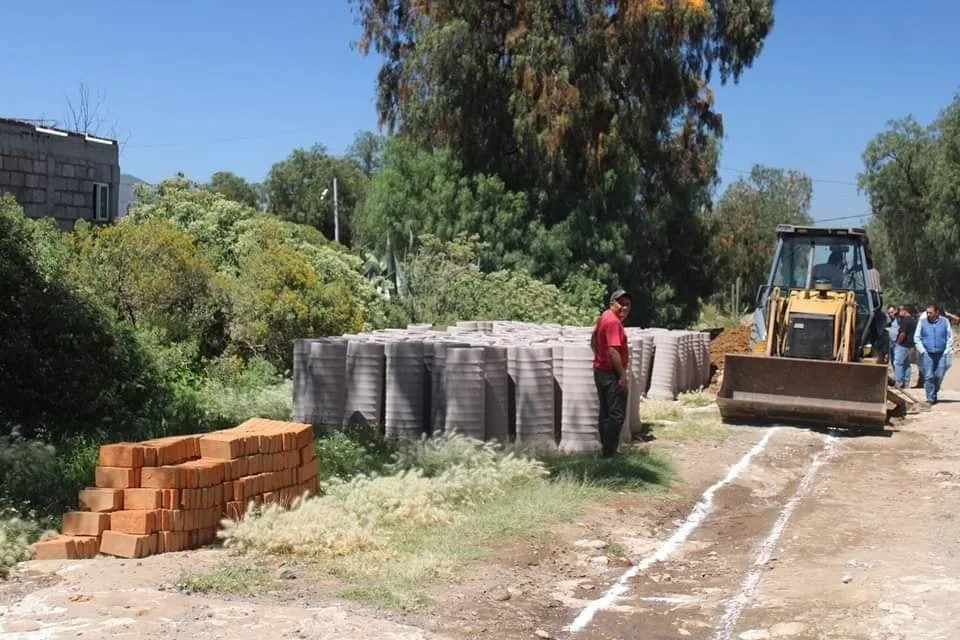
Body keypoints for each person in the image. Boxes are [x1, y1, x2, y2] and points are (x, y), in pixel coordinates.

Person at [590, 289, 631, 457]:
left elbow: (593, 339)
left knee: (605, 412)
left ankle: (605, 449)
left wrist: (599, 355)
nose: (625, 308)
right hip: (610, 373)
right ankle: (609, 452)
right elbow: (613, 351)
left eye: (628, 304)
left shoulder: (604, 316)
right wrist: (622, 375)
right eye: (621, 303)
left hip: (600, 370)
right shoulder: (613, 322)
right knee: (616, 413)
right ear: (612, 303)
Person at [913, 303, 954, 404]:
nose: (928, 314)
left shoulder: (945, 322)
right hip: (927, 353)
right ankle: (930, 398)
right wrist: (922, 350)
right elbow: (917, 337)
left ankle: (934, 391)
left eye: (930, 312)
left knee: (939, 375)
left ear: (937, 312)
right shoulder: (922, 322)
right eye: (927, 312)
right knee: (928, 376)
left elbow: (949, 336)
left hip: (941, 353)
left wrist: (947, 350)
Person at [893, 305, 916, 389]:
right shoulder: (913, 320)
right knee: (906, 364)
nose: (899, 312)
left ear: (905, 311)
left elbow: (903, 333)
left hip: (903, 345)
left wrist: (898, 343)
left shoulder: (906, 320)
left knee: (898, 363)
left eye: (900, 310)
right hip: (910, 345)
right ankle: (906, 383)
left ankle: (898, 382)